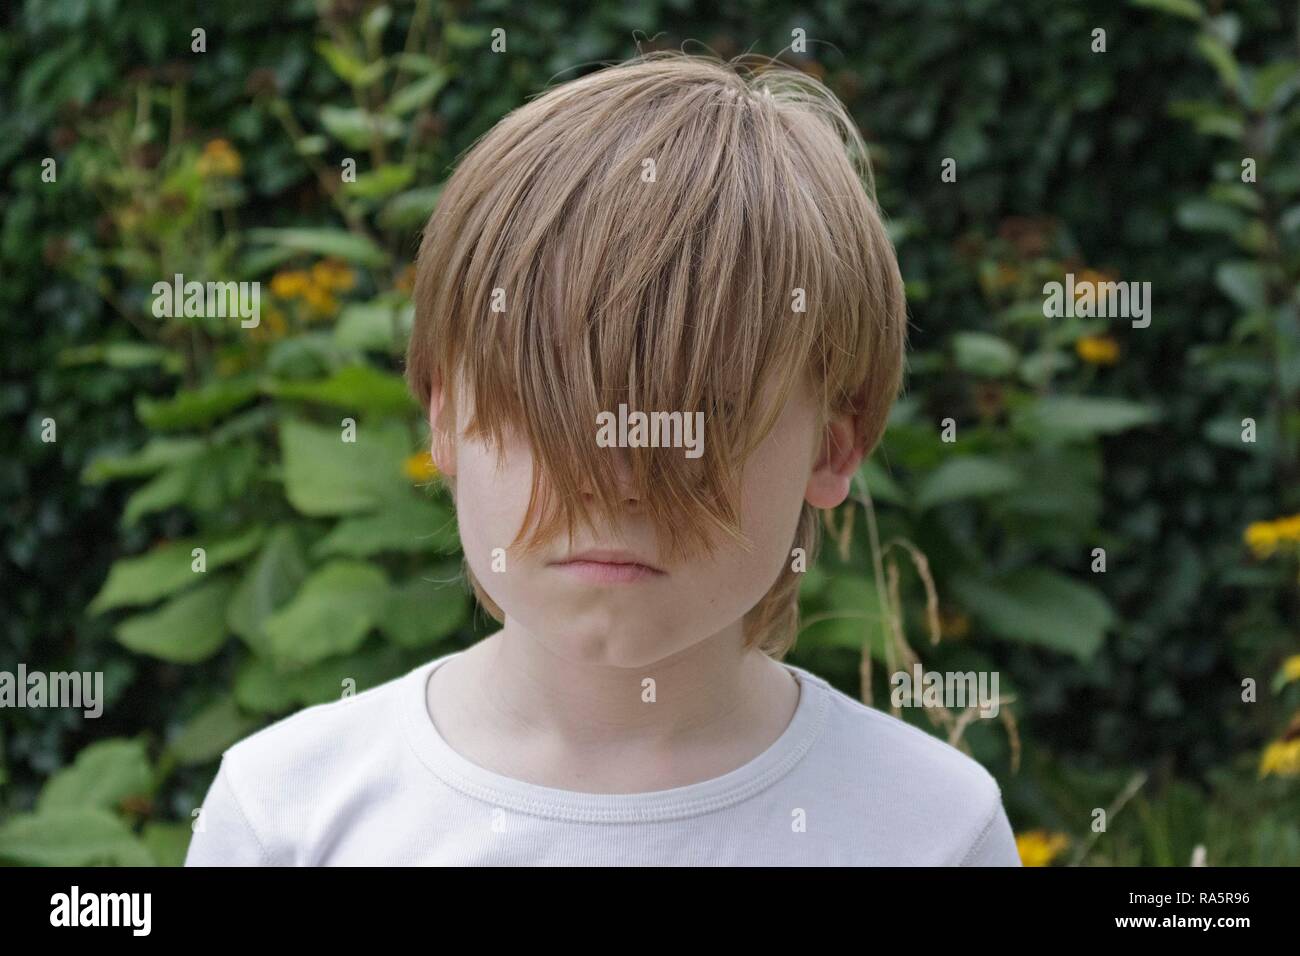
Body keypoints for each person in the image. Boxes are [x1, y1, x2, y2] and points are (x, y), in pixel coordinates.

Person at [186, 51, 1020, 866]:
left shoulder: (933, 830)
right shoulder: (284, 816)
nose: (613, 479)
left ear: (835, 445)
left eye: (698, 420)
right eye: (542, 409)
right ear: (443, 415)